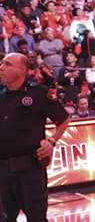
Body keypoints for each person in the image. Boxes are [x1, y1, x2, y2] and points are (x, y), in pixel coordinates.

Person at [0, 53, 69, 222]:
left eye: (7, 64)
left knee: (36, 218)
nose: (1, 68)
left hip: (30, 172)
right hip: (2, 173)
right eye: (2, 64)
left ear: (23, 69)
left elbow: (63, 119)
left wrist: (51, 142)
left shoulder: (39, 93)